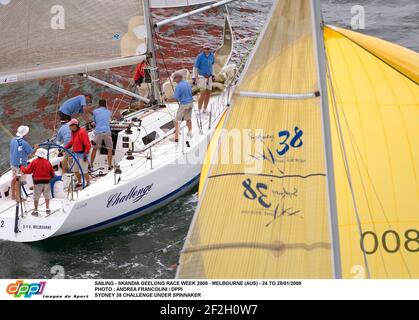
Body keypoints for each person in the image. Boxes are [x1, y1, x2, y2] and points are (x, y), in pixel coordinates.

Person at [20, 148, 55, 217]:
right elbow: (52, 173)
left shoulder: (34, 162)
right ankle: (47, 209)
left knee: (36, 197)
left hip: (37, 182)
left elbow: (27, 171)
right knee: (47, 195)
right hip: (47, 182)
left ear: (37, 155)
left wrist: (21, 167)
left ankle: (35, 210)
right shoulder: (47, 162)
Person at [9, 126, 37, 201]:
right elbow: (32, 153)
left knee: (14, 179)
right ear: (25, 134)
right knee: (18, 181)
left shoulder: (13, 140)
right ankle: (18, 198)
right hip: (20, 166)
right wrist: (36, 147)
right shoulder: (24, 143)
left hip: (13, 163)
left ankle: (13, 195)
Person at [165, 72, 194, 143]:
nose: (173, 79)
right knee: (188, 119)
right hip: (191, 103)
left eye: (174, 78)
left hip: (184, 105)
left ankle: (176, 137)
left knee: (177, 121)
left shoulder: (178, 86)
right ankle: (190, 132)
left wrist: (167, 100)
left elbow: (175, 99)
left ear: (179, 78)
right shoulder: (187, 83)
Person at [64, 119, 91, 188]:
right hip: (76, 154)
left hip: (83, 155)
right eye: (69, 125)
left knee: (84, 171)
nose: (69, 127)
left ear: (75, 125)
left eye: (70, 125)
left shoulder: (82, 132)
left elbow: (88, 145)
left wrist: (86, 154)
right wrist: (65, 147)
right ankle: (79, 182)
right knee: (75, 170)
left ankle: (88, 183)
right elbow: (72, 141)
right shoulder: (72, 132)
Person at [91, 100, 113, 171]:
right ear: (105, 104)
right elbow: (109, 121)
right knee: (110, 150)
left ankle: (91, 165)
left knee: (94, 149)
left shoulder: (95, 112)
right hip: (107, 131)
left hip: (98, 132)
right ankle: (109, 166)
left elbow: (94, 123)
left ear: (99, 104)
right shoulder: (109, 112)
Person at [193, 44, 215, 114]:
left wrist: (213, 75)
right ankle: (199, 110)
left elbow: (212, 65)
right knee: (202, 93)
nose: (207, 50)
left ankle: (205, 109)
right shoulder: (199, 57)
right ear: (203, 49)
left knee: (208, 93)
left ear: (210, 49)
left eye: (208, 49)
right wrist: (195, 77)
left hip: (210, 76)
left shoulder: (212, 56)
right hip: (202, 77)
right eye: (205, 49)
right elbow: (195, 67)